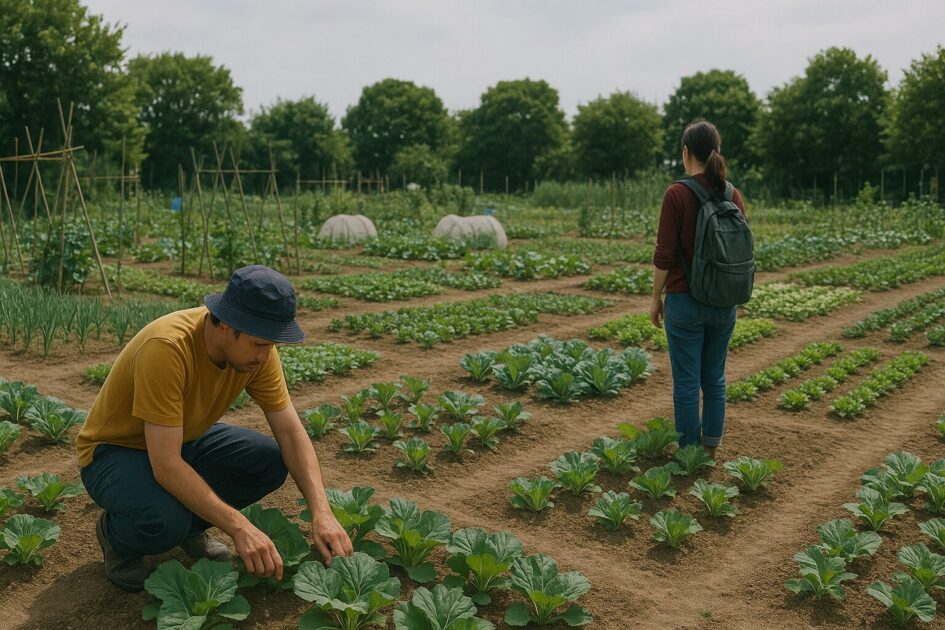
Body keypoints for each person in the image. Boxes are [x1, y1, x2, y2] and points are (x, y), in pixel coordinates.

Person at [76, 264, 353, 592]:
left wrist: (322, 512)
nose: (266, 356)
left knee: (268, 460)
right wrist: (239, 527)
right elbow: (165, 465)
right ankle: (116, 538)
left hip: (183, 437)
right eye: (259, 344)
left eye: (271, 344)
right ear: (225, 325)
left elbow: (291, 432)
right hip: (114, 453)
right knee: (166, 520)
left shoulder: (257, 354)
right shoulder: (167, 348)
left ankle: (192, 526)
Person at [650, 120, 747, 457]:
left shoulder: (676, 194)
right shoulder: (733, 194)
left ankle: (689, 452)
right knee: (715, 379)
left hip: (685, 302)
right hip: (724, 304)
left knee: (688, 384)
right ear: (716, 152)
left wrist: (654, 299)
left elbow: (664, 255)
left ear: (685, 152)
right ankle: (711, 448)